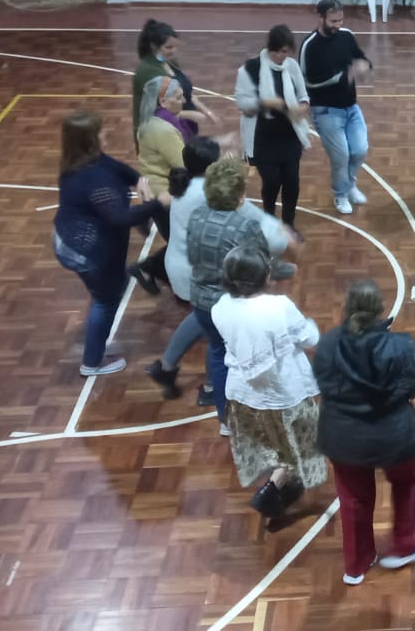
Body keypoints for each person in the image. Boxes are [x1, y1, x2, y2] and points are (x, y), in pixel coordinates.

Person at [147, 139, 292, 404]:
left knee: (200, 318)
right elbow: (256, 222)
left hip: (184, 266)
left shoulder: (186, 184)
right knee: (219, 337)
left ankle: (166, 366)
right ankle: (211, 388)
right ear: (210, 167)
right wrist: (282, 237)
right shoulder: (212, 193)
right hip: (202, 270)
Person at [313, 279, 415, 585]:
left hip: (343, 438)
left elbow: (323, 383)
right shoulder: (400, 346)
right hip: (395, 436)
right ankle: (405, 544)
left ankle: (356, 565)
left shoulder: (328, 344)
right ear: (379, 309)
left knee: (353, 499)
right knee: (410, 481)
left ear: (346, 307)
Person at [211, 245, 326, 525]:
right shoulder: (278, 307)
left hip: (242, 393)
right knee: (302, 442)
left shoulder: (220, 307)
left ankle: (277, 486)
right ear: (264, 276)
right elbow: (310, 339)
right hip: (284, 392)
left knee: (274, 441)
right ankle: (273, 489)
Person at [51, 110, 167, 376]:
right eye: (100, 132)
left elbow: (119, 170)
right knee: (106, 301)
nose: (106, 133)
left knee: (111, 289)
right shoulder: (93, 179)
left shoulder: (86, 161)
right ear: (89, 139)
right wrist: (157, 203)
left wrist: (140, 180)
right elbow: (121, 218)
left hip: (75, 240)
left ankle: (97, 338)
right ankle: (92, 363)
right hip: (85, 251)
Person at [187, 158, 296, 431]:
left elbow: (192, 256)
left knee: (217, 353)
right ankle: (254, 415)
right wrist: (290, 269)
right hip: (234, 305)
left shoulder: (196, 216)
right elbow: (263, 265)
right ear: (240, 196)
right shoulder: (244, 226)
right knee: (247, 361)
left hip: (201, 301)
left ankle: (226, 420)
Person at [235, 25, 318, 238]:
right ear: (271, 49)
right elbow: (242, 103)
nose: (284, 57)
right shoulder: (250, 69)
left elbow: (303, 95)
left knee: (292, 182)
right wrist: (264, 103)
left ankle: (288, 224)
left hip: (289, 134)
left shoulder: (291, 66)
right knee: (272, 182)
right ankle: (269, 222)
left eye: (287, 52)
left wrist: (302, 107)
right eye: (281, 52)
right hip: (263, 136)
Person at [302, 0, 374, 215]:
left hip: (350, 106)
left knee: (359, 150)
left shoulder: (346, 36)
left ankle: (350, 185)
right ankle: (340, 194)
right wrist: (345, 75)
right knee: (341, 156)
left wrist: (365, 65)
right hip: (325, 110)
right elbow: (310, 81)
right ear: (320, 18)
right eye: (333, 21)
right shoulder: (310, 46)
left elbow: (359, 58)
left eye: (340, 20)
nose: (337, 25)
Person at [126, 74, 192, 295]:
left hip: (157, 192)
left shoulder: (151, 121)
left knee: (179, 241)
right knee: (183, 242)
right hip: (167, 197)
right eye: (179, 97)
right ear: (163, 101)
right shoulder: (164, 130)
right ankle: (147, 268)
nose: (184, 101)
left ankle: (152, 270)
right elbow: (184, 164)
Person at [131, 19, 215, 148]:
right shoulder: (149, 72)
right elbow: (159, 112)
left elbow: (186, 92)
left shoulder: (169, 61)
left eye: (175, 46)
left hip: (181, 127)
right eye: (169, 47)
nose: (174, 51)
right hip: (159, 136)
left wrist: (206, 111)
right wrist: (191, 115)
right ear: (154, 46)